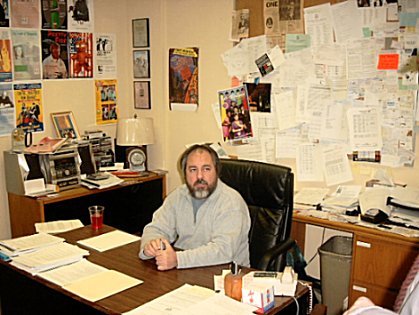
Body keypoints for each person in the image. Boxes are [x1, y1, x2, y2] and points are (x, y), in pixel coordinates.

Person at [139, 144, 251, 271]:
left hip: (225, 275)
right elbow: (157, 228)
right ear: (184, 173)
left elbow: (223, 251)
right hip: (185, 269)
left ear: (217, 171)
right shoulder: (178, 196)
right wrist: (151, 245)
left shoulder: (231, 203)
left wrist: (178, 259)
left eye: (206, 169)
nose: (199, 176)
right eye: (193, 170)